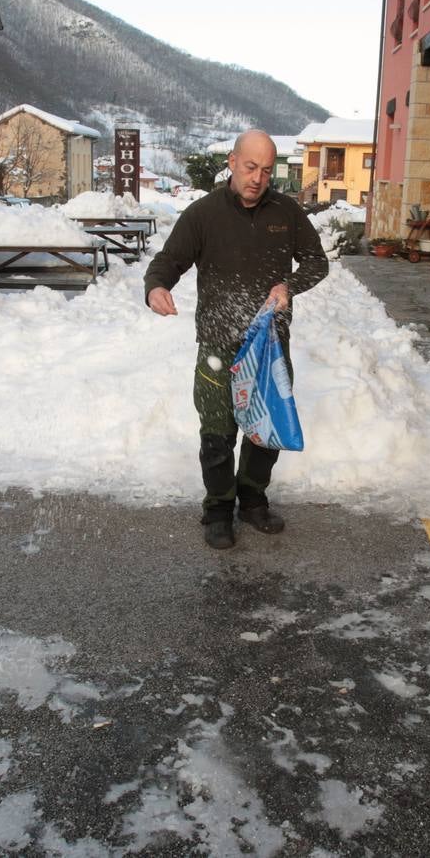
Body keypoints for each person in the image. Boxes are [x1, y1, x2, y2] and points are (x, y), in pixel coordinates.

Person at [144, 129, 328, 550]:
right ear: (231, 162)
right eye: (250, 167)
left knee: (266, 430)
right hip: (218, 342)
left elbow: (317, 262)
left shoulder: (286, 212)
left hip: (269, 345)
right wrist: (156, 286)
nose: (258, 178)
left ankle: (253, 501)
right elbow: (169, 260)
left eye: (266, 170)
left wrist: (289, 286)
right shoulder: (203, 214)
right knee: (218, 432)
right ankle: (218, 510)